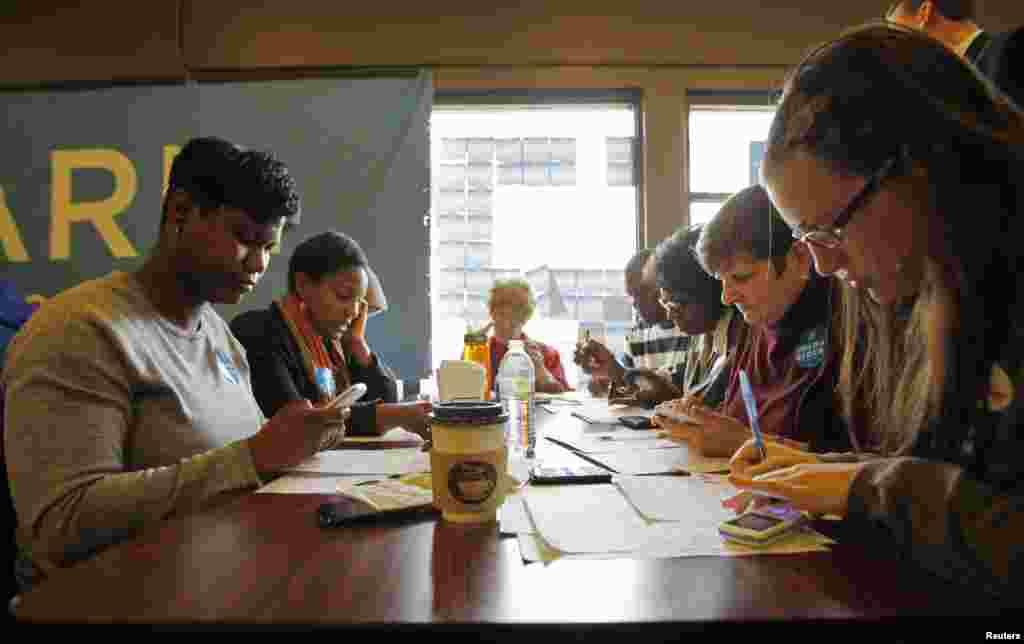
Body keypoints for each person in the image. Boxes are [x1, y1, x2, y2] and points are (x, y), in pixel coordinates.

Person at [732, 23, 1024, 598]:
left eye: (828, 230)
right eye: (806, 238)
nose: (820, 265)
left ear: (921, 167)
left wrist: (867, 488)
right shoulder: (940, 297)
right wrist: (834, 470)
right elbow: (970, 482)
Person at [1, 137, 346, 591]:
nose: (258, 263)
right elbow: (62, 523)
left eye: (270, 247)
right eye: (243, 238)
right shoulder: (79, 330)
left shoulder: (219, 334)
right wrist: (256, 457)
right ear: (181, 213)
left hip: (225, 576)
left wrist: (292, 443)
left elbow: (243, 458)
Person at [654, 185, 861, 457]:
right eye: (721, 281)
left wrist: (746, 444)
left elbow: (865, 466)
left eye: (741, 277)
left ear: (800, 259)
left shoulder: (849, 327)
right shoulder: (755, 325)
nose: (727, 298)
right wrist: (701, 421)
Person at [231, 231, 431, 438]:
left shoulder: (334, 344)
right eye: (344, 296)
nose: (353, 312)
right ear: (303, 285)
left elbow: (387, 399)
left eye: (359, 302)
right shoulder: (259, 332)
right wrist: (390, 416)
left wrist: (358, 345)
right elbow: (297, 422)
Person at [573, 249, 689, 404]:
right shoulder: (637, 334)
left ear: (662, 288)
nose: (634, 303)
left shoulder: (694, 329)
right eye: (631, 295)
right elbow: (630, 386)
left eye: (639, 293)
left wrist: (616, 372)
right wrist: (607, 380)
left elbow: (680, 393)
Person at [651, 224, 744, 410]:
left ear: (712, 292)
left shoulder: (741, 338)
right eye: (666, 303)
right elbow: (692, 393)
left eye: (678, 304)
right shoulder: (702, 334)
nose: (670, 314)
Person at [885, 0, 1024, 108]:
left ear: (924, 12)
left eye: (897, 32)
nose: (897, 46)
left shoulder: (1010, 52)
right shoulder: (936, 87)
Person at [486, 278, 570, 395]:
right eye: (501, 312)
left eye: (516, 312)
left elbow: (564, 400)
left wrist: (540, 369)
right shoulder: (479, 351)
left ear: (526, 317)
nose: (506, 322)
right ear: (491, 312)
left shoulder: (546, 353)